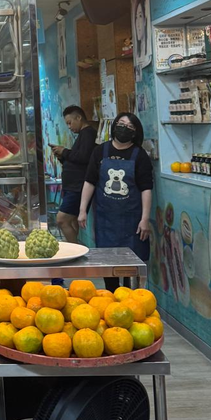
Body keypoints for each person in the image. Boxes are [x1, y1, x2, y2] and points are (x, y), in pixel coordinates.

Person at [78, 112, 153, 292]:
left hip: (132, 220)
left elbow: (146, 189)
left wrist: (145, 219)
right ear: (114, 126)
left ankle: (130, 299)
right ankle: (110, 297)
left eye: (129, 127)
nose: (124, 129)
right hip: (106, 220)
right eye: (121, 124)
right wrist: (82, 210)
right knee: (107, 263)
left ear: (135, 132)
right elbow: (90, 182)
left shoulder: (139, 155)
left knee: (131, 265)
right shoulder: (100, 151)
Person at [49, 105, 97, 244]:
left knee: (62, 219)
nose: (69, 127)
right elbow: (77, 158)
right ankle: (75, 248)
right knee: (72, 221)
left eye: (70, 122)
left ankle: (73, 249)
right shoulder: (83, 134)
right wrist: (62, 156)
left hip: (78, 188)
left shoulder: (88, 134)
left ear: (79, 117)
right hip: (73, 187)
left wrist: (64, 152)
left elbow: (83, 157)